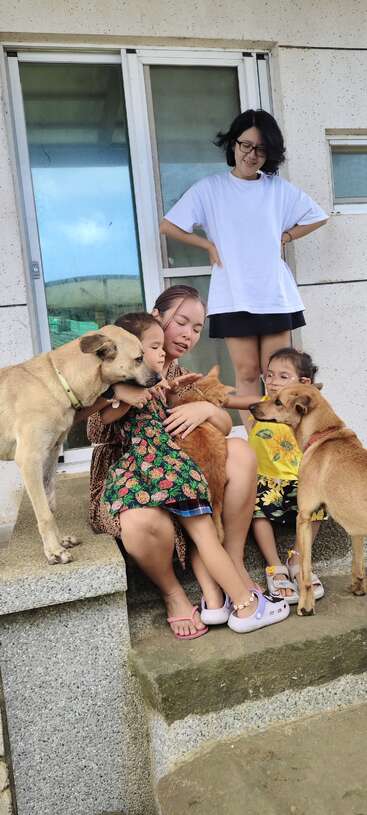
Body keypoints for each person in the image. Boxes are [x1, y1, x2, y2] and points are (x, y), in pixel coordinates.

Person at [86, 285, 289, 638]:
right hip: (136, 476)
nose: (189, 334)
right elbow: (92, 428)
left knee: (239, 451)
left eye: (197, 328)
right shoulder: (119, 367)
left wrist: (205, 408)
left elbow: (224, 423)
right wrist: (122, 395)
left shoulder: (175, 372)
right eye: (181, 322)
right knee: (145, 518)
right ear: (156, 317)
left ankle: (232, 568)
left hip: (175, 468)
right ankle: (174, 593)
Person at [160, 109, 328, 429]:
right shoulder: (209, 189)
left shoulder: (278, 189)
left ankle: (282, 448)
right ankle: (258, 449)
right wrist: (207, 245)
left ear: (270, 154)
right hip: (233, 294)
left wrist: (287, 235)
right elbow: (168, 225)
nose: (251, 155)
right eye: (245, 145)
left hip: (274, 294)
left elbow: (317, 215)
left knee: (279, 376)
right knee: (248, 374)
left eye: (261, 149)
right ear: (233, 144)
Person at [248, 347, 326, 603]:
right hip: (266, 481)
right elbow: (233, 401)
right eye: (269, 375)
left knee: (317, 507)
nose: (272, 381)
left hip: (300, 480)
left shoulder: (307, 410)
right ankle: (275, 566)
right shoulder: (262, 407)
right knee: (256, 510)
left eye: (283, 376)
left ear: (304, 384)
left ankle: (298, 559)